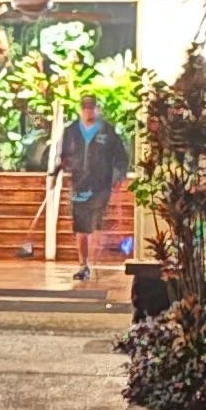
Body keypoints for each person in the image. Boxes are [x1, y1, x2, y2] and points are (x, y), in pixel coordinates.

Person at [48, 99, 130, 282]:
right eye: (84, 108)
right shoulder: (71, 131)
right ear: (80, 110)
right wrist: (57, 172)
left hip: (101, 186)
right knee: (81, 226)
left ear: (97, 109)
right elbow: (63, 157)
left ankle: (94, 260)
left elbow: (121, 157)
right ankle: (83, 265)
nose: (88, 111)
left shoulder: (107, 131)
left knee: (95, 224)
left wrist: (118, 177)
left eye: (91, 108)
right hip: (79, 185)